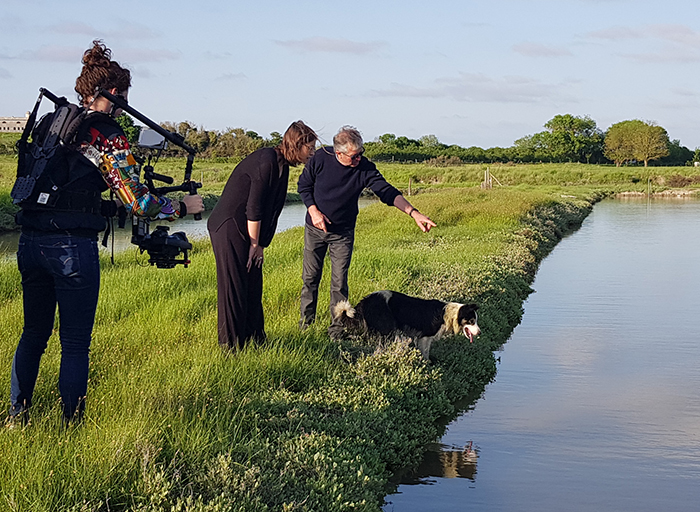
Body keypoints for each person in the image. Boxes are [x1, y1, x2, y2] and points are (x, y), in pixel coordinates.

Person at [5, 40, 204, 427]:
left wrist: (103, 208)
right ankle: (71, 429)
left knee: (33, 334)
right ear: (114, 93)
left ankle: (16, 417)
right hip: (71, 250)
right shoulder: (105, 133)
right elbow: (139, 202)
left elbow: (68, 190)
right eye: (125, 95)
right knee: (75, 342)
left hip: (30, 242)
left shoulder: (52, 123)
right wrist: (181, 207)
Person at [297, 125, 436, 338]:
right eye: (354, 156)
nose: (358, 159)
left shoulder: (365, 168)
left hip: (343, 233)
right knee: (310, 278)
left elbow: (387, 192)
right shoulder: (321, 158)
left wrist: (414, 213)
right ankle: (305, 327)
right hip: (314, 229)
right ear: (338, 153)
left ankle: (336, 331)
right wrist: (314, 211)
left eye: (361, 154)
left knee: (339, 282)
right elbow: (304, 186)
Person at [208, 121, 318, 350]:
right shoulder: (266, 161)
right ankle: (230, 347)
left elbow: (273, 209)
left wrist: (261, 245)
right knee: (234, 287)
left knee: (252, 285)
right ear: (297, 144)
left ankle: (255, 340)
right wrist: (255, 243)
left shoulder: (282, 166)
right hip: (229, 227)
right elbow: (254, 207)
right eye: (310, 147)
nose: (313, 152)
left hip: (248, 229)